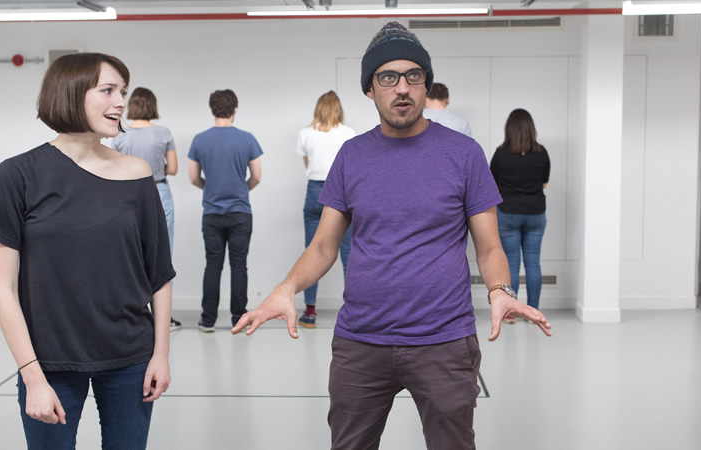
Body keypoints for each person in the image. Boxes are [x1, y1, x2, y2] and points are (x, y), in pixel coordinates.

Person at [232, 22, 551, 450]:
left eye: (413, 76)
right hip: (361, 342)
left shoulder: (463, 154)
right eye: (388, 77)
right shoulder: (351, 155)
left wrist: (499, 289)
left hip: (444, 341)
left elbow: (490, 245)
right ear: (370, 88)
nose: (402, 88)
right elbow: (325, 245)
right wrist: (286, 288)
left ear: (426, 84)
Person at [0, 53, 175, 449]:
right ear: (70, 94)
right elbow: (4, 289)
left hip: (130, 357)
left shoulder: (138, 173)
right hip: (50, 361)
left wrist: (161, 356)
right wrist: (32, 377)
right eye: (108, 91)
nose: (121, 102)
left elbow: (159, 273)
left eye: (123, 91)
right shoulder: (16, 175)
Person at [188, 89, 263, 332]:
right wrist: (241, 189)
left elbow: (193, 178)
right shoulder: (247, 138)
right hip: (240, 212)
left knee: (213, 266)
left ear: (212, 110)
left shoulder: (199, 139)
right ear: (234, 110)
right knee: (239, 266)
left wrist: (210, 188)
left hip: (211, 213)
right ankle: (238, 319)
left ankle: (207, 320)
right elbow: (257, 177)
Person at [112, 86, 183, 332]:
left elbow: (110, 168)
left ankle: (133, 315)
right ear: (153, 106)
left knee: (129, 255)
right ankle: (164, 319)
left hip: (125, 193)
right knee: (163, 256)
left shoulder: (121, 132)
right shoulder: (164, 133)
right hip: (159, 192)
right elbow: (172, 169)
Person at [295, 91, 356, 328]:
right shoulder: (348, 134)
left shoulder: (306, 133)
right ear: (338, 109)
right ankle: (354, 308)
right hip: (341, 191)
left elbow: (307, 164)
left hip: (314, 193)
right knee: (348, 253)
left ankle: (309, 312)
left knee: (312, 251)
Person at [490, 108, 551, 323]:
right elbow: (544, 182)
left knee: (512, 264)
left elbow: (493, 184)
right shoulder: (541, 153)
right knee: (533, 263)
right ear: (531, 129)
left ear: (509, 129)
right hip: (535, 213)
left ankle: (511, 313)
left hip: (508, 213)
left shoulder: (501, 153)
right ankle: (532, 311)